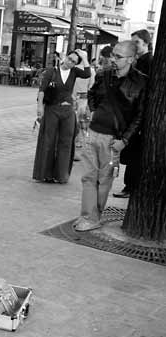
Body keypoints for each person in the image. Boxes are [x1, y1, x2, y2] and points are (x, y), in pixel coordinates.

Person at [73, 41, 147, 232]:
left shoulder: (141, 82)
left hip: (114, 140)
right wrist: (94, 111)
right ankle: (88, 216)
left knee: (104, 179)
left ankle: (93, 217)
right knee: (89, 177)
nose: (113, 59)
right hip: (93, 133)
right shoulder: (104, 75)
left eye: (118, 56)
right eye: (113, 55)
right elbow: (91, 94)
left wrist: (125, 140)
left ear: (131, 59)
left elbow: (140, 116)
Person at [33, 49, 91, 184]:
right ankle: (45, 174)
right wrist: (39, 106)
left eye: (74, 62)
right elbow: (42, 89)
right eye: (69, 59)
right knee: (48, 141)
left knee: (66, 142)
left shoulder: (75, 72)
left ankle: (61, 175)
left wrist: (84, 57)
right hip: (52, 109)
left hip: (68, 111)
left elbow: (87, 73)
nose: (70, 62)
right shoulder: (51, 71)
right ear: (64, 57)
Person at [113, 29, 153, 199]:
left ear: (145, 43)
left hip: (139, 113)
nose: (134, 45)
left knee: (134, 153)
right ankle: (129, 185)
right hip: (130, 111)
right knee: (130, 153)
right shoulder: (137, 60)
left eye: (136, 42)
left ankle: (130, 187)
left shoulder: (149, 61)